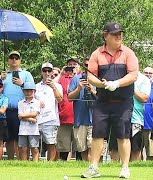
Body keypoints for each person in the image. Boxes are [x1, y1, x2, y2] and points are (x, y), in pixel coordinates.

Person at [81, 22, 138, 179]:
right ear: (105, 36)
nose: (118, 36)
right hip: (103, 101)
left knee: (123, 135)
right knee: (98, 134)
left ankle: (125, 168)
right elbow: (90, 76)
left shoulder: (128, 53)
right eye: (114, 34)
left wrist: (116, 83)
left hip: (123, 102)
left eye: (120, 33)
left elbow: (133, 75)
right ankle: (94, 167)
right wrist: (102, 84)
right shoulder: (96, 54)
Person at [1, 51, 35, 160]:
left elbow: (33, 90)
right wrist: (1, 80)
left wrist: (22, 84)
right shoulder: (4, 75)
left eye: (16, 58)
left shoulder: (26, 74)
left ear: (20, 60)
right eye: (12, 58)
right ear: (8, 60)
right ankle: (10, 160)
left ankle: (22, 160)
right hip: (7, 110)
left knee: (21, 137)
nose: (14, 60)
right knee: (9, 137)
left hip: (22, 110)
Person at [68, 57, 96, 161]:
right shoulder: (76, 79)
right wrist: (79, 88)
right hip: (80, 119)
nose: (88, 67)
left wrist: (92, 90)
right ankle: (86, 167)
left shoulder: (97, 78)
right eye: (86, 65)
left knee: (93, 148)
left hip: (95, 120)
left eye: (90, 65)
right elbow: (69, 98)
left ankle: (94, 167)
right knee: (82, 148)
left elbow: (103, 99)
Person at [35, 62, 63, 161]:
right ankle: (35, 162)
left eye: (49, 70)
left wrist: (53, 87)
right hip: (37, 119)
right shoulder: (36, 86)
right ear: (41, 72)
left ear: (52, 72)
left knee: (51, 143)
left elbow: (60, 100)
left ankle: (50, 163)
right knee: (35, 144)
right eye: (44, 70)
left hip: (51, 119)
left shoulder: (57, 86)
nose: (47, 73)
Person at [56, 58, 77, 161]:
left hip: (78, 117)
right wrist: (60, 73)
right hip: (64, 117)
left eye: (74, 64)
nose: (72, 66)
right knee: (63, 145)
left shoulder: (80, 77)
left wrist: (76, 74)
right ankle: (62, 164)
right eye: (70, 64)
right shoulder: (62, 78)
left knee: (79, 145)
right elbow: (51, 84)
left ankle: (80, 165)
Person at [18, 82, 40, 161]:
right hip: (23, 130)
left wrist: (24, 116)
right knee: (23, 148)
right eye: (26, 90)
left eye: (31, 90)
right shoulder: (20, 103)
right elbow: (20, 115)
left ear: (34, 91)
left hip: (33, 130)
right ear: (23, 91)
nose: (28, 92)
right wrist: (31, 119)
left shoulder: (37, 102)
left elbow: (35, 114)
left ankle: (36, 164)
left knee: (34, 148)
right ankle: (24, 164)